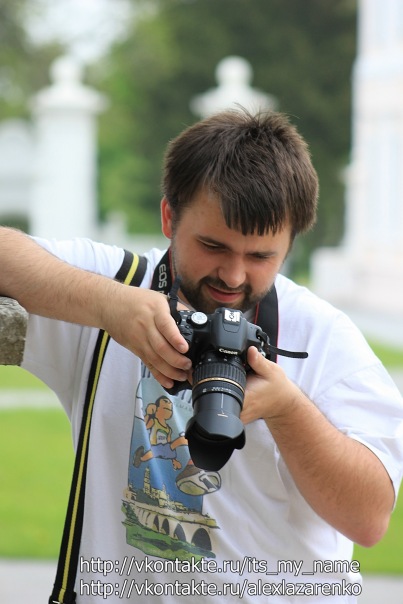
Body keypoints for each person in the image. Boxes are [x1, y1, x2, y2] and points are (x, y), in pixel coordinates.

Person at [1, 108, 402, 604]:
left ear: (290, 243)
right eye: (213, 246)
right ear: (169, 217)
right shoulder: (123, 288)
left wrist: (287, 409)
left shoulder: (322, 336)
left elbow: (369, 518)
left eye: (260, 256)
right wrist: (111, 306)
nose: (233, 276)